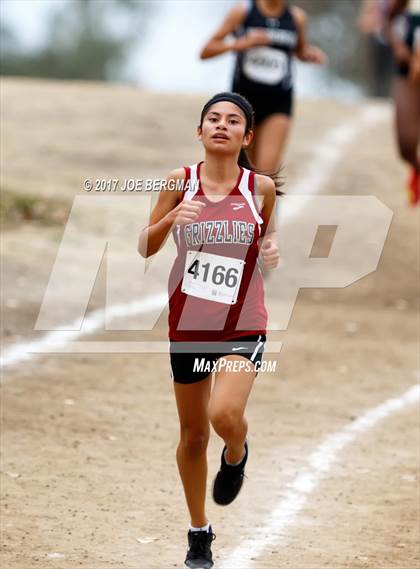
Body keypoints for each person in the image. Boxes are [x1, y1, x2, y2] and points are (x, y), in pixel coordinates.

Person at [138, 92, 280, 568]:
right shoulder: (180, 181)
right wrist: (171, 220)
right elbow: (144, 246)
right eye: (213, 119)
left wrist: (271, 248)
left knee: (224, 414)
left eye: (233, 120)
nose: (222, 125)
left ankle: (237, 452)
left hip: (242, 322)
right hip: (190, 324)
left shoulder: (259, 187)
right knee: (194, 435)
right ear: (199, 132)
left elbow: (265, 233)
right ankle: (200, 531)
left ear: (247, 136)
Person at [199, 0, 326, 173]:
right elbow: (206, 51)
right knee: (244, 170)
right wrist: (241, 43)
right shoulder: (243, 12)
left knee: (266, 173)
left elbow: (299, 50)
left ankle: (267, 199)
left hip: (279, 101)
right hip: (244, 102)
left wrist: (309, 54)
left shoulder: (297, 17)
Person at [386, 0, 420, 204]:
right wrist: (399, 47)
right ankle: (417, 169)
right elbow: (388, 21)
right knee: (405, 144)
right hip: (408, 73)